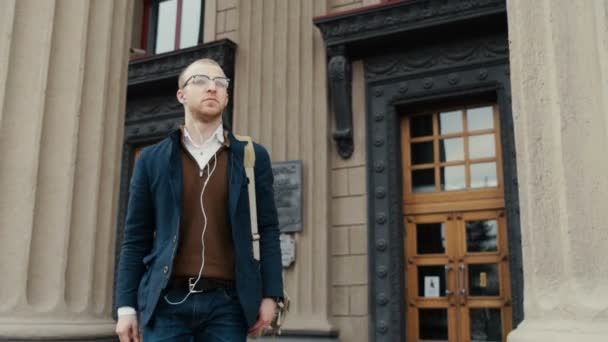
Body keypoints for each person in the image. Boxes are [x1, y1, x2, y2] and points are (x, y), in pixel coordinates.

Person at [114, 58, 284, 341]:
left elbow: (268, 230)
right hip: (166, 303)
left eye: (220, 83)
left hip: (228, 305)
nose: (212, 88)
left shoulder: (251, 157)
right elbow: (135, 238)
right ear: (181, 94)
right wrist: (126, 307)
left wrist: (271, 295)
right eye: (201, 81)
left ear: (227, 97)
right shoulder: (151, 160)